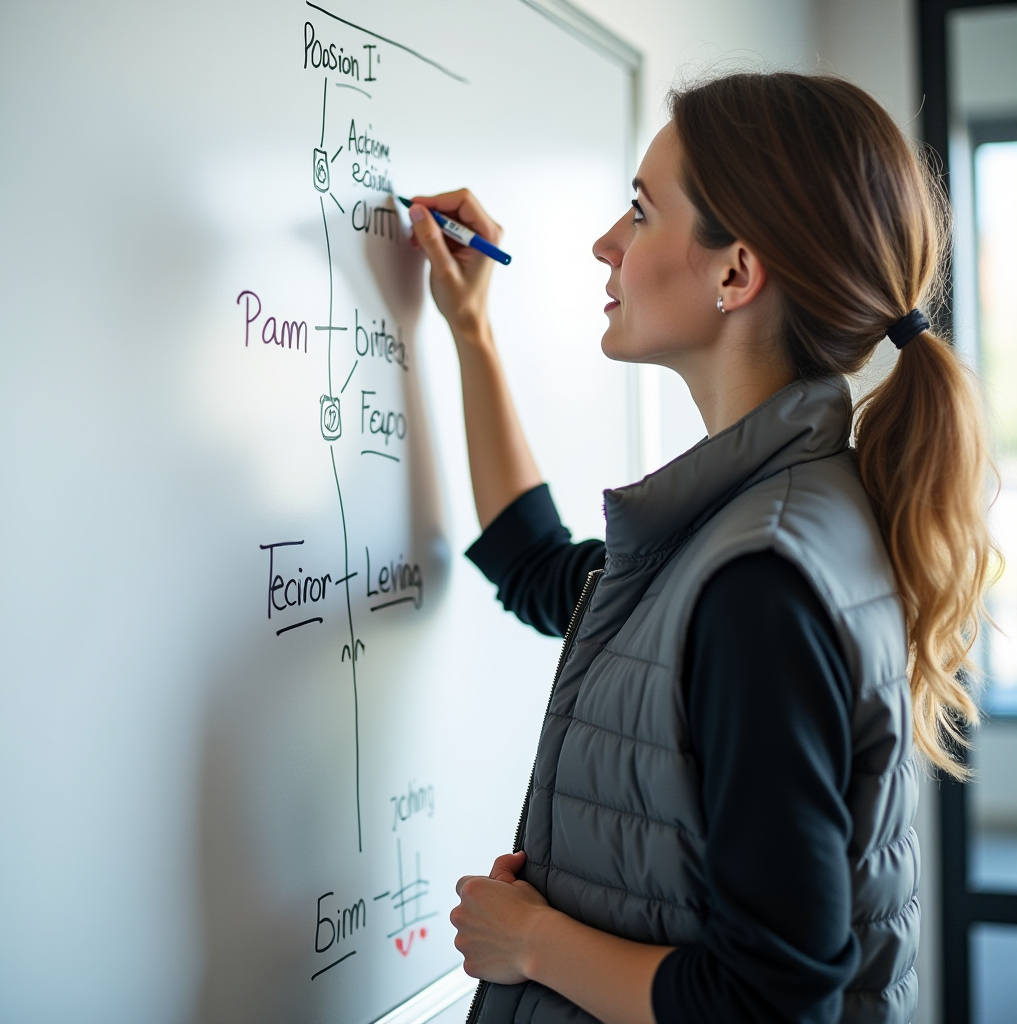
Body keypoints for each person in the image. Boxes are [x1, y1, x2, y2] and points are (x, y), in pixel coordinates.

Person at [405, 72, 996, 1024]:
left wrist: (531, 943)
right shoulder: (775, 520)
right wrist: (470, 328)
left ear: (735, 274)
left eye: (639, 213)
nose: (606, 243)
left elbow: (769, 1002)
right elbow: (541, 568)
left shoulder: (760, 578)